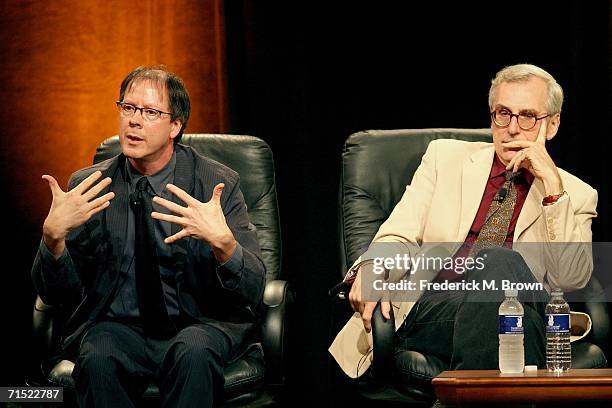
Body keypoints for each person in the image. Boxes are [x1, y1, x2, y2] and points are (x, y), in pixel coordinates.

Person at [329, 64, 597, 380]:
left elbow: (571, 278)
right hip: (434, 306)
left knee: (499, 272)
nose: (512, 128)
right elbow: (399, 232)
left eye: (527, 117)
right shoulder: (444, 159)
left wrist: (552, 187)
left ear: (552, 125)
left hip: (522, 311)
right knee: (499, 283)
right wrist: (373, 266)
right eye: (503, 114)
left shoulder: (575, 194)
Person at [31, 65, 266, 407]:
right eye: (128, 108)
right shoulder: (91, 187)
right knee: (99, 355)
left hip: (198, 323)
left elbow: (256, 288)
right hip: (118, 328)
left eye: (150, 112)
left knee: (194, 352)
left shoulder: (215, 184)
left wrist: (226, 246)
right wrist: (52, 241)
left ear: (175, 125)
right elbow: (56, 295)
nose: (134, 120)